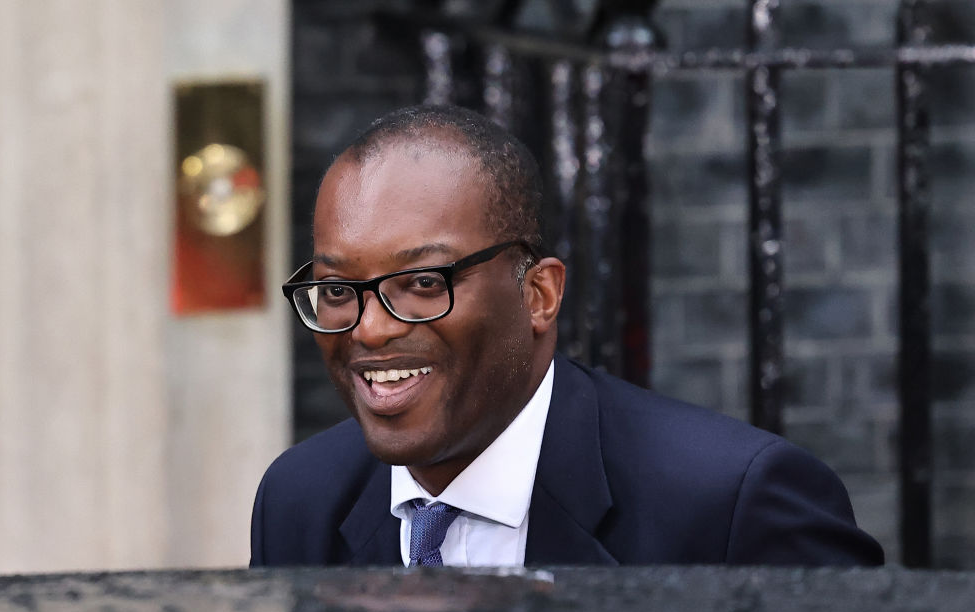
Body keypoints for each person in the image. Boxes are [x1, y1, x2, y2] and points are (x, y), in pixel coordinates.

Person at [250, 104, 884, 568]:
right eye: (338, 291)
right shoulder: (300, 500)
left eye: (422, 283)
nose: (372, 328)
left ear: (539, 296)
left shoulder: (734, 505)